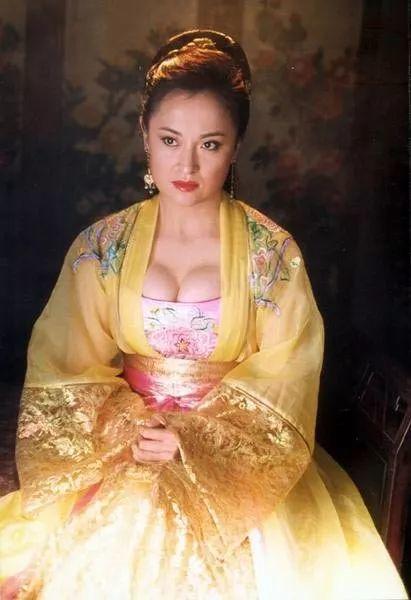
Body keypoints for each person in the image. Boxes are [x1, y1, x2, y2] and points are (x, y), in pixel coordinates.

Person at [0, 28, 407, 600]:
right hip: (133, 441)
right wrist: (129, 425)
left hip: (230, 459)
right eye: (170, 139)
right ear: (144, 135)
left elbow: (287, 373)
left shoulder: (272, 253)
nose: (186, 163)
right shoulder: (103, 245)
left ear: (235, 148)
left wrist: (195, 440)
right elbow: (63, 362)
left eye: (210, 144)